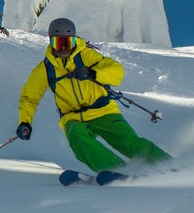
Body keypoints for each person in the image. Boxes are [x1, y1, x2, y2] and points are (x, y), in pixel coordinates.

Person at [14, 17, 169, 179]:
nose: (64, 48)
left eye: (68, 42)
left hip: (103, 110)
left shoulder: (85, 56)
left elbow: (117, 71)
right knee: (76, 136)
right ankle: (118, 171)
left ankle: (168, 165)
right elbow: (29, 97)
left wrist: (93, 73)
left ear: (74, 40)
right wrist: (25, 122)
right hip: (72, 117)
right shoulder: (46, 68)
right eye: (59, 43)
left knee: (128, 142)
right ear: (51, 42)